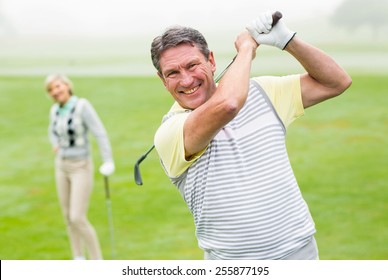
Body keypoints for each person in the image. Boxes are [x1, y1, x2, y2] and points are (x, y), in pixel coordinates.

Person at [151, 10, 352, 260]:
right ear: (162, 80)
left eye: (193, 65)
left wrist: (288, 41)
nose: (186, 79)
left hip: (299, 255)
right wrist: (247, 48)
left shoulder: (264, 92)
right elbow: (228, 105)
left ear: (211, 61)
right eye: (172, 73)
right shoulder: (170, 132)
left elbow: (336, 82)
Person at [45, 74, 115, 260]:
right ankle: (78, 257)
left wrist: (108, 160)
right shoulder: (54, 110)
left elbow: (99, 133)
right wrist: (56, 143)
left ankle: (96, 260)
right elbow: (52, 131)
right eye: (51, 90)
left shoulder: (82, 106)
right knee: (68, 217)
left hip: (81, 166)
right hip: (61, 165)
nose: (55, 92)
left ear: (67, 86)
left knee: (77, 217)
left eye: (58, 86)